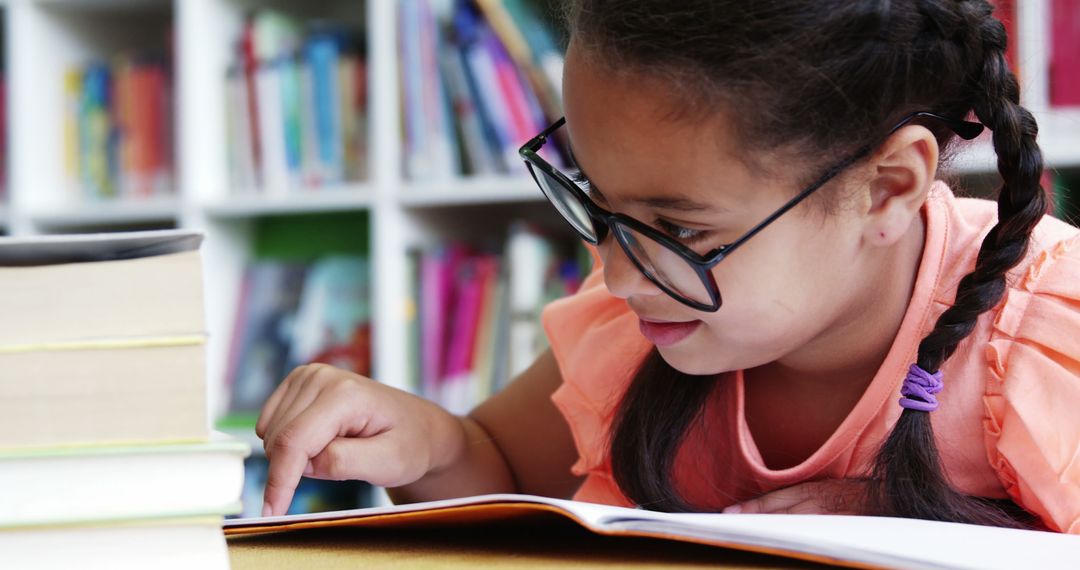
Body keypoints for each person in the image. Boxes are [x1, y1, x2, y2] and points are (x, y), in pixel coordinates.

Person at [255, 0, 1080, 532]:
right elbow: (501, 474)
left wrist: (931, 522)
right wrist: (428, 446)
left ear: (888, 188)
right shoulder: (638, 327)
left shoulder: (1045, 335)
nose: (615, 277)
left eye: (678, 227)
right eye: (601, 204)